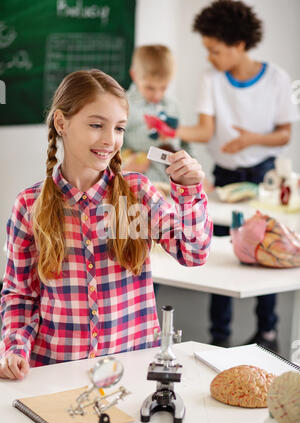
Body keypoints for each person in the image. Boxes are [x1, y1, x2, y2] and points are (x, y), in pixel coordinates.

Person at [0, 69, 213, 380]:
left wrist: (190, 191)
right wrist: (15, 347)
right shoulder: (29, 205)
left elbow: (193, 253)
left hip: (131, 369)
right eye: (96, 125)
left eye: (119, 128)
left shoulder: (138, 195)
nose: (109, 140)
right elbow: (20, 294)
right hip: (56, 371)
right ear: (62, 123)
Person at [172, 0, 299, 351]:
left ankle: (268, 332)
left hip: (265, 175)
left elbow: (284, 135)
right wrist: (168, 128)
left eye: (215, 50)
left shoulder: (276, 78)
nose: (210, 57)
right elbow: (204, 129)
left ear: (239, 44)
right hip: (225, 177)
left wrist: (250, 139)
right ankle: (218, 335)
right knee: (218, 251)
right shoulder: (211, 79)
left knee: (268, 251)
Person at [122, 44, 192, 188]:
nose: (157, 95)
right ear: (134, 75)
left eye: (163, 87)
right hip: (138, 185)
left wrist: (193, 172)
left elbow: (186, 145)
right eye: (150, 88)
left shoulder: (173, 106)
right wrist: (125, 167)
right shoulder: (124, 105)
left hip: (171, 186)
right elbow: (112, 149)